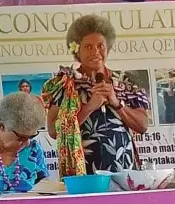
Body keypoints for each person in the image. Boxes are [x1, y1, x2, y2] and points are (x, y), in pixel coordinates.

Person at [42, 14, 149, 177]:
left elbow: (142, 126)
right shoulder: (65, 84)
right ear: (77, 50)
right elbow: (53, 131)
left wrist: (116, 102)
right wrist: (89, 107)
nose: (96, 52)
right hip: (82, 173)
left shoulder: (126, 82)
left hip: (124, 171)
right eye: (88, 47)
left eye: (101, 46)